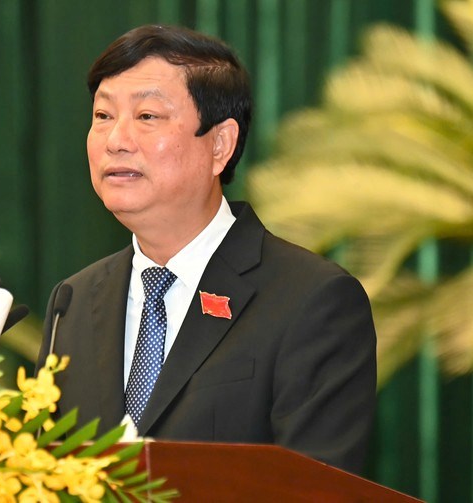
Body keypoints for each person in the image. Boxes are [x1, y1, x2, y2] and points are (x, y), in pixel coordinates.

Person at [37, 24, 376, 474]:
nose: (115, 140)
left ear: (220, 144)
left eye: (147, 116)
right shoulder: (74, 301)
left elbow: (318, 488)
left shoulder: (311, 300)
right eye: (103, 115)